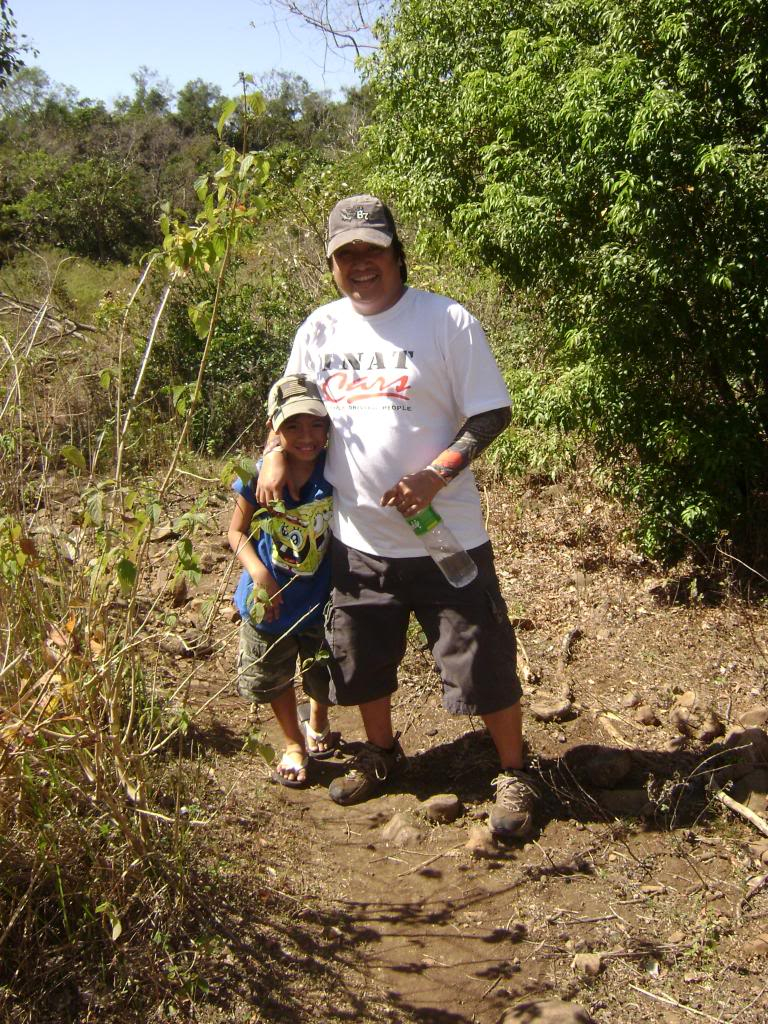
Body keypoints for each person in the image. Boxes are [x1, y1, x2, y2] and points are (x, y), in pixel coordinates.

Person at [256, 195, 538, 840]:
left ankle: (515, 771)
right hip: (355, 536)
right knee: (360, 658)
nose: (360, 265)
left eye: (372, 251)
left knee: (481, 656)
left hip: (447, 535)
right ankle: (383, 757)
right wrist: (274, 451)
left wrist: (438, 472)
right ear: (331, 264)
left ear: (396, 254)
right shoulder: (320, 329)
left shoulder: (446, 321)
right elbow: (290, 408)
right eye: (346, 254)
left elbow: (491, 412)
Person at [228, 373, 340, 787]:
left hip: (320, 599)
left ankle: (318, 721)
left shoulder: (335, 469)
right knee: (273, 673)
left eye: (315, 423)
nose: (306, 436)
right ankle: (293, 743)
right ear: (274, 429)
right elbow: (235, 532)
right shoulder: (256, 477)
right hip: (269, 602)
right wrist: (259, 575)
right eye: (292, 425)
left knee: (321, 670)